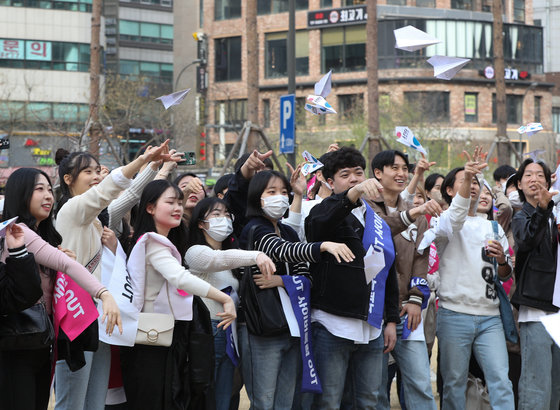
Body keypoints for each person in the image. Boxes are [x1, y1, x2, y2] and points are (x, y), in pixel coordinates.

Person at [54, 143, 168, 410]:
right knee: (72, 402)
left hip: (101, 317)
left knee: (95, 402)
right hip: (76, 316)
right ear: (68, 180)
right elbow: (109, 191)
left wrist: (152, 167)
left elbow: (125, 195)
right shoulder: (71, 211)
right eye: (88, 172)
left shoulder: (95, 221)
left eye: (97, 170)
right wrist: (141, 161)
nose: (96, 176)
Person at [0, 167, 122, 410]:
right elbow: (66, 265)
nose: (48, 196)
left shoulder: (40, 236)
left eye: (49, 189)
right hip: (16, 343)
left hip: (38, 342)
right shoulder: (18, 231)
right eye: (39, 189)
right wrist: (104, 293)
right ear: (20, 193)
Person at [239, 170, 352, 410]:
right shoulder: (255, 229)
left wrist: (281, 280)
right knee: (263, 400)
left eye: (283, 192)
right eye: (271, 192)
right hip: (264, 327)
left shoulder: (288, 231)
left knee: (286, 401)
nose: (279, 197)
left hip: (293, 327)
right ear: (257, 197)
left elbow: (306, 275)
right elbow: (281, 250)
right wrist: (322, 246)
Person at [120, 180, 236, 409]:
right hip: (150, 338)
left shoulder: (163, 241)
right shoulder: (153, 243)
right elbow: (180, 278)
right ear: (150, 208)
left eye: (180, 203)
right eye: (170, 202)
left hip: (162, 335)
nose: (177, 208)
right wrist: (223, 298)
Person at [303, 147, 401, 409]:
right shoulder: (322, 211)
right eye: (345, 175)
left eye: (359, 173)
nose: (355, 179)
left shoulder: (377, 221)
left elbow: (387, 272)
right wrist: (352, 195)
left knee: (369, 400)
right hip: (332, 323)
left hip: (371, 327)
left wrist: (391, 319)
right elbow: (318, 225)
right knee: (329, 401)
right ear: (330, 182)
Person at [422, 148, 514, 410]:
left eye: (475, 182)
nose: (472, 186)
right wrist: (468, 175)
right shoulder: (444, 222)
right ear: (450, 191)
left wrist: (502, 261)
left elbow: (505, 273)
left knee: (500, 381)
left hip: (490, 317)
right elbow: (457, 215)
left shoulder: (493, 227)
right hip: (453, 314)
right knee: (454, 383)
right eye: (465, 181)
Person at [185, 197, 275, 410]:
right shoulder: (194, 252)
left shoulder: (233, 260)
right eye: (216, 215)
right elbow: (218, 259)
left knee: (224, 397)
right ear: (200, 223)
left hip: (229, 335)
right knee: (204, 396)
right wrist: (257, 256)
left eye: (227, 215)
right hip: (207, 334)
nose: (223, 219)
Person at [369, 150, 437, 410]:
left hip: (407, 313)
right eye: (393, 168)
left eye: (404, 169)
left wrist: (416, 299)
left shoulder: (414, 213)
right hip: (374, 315)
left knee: (420, 383)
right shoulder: (364, 207)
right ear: (377, 173)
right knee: (375, 389)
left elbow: (422, 258)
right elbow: (384, 226)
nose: (401, 173)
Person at [511, 158, 560, 410]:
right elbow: (527, 241)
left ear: (549, 180)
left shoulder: (556, 216)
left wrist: (549, 210)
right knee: (536, 385)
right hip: (536, 311)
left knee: (556, 387)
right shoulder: (521, 216)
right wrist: (542, 209)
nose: (534, 179)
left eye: (539, 175)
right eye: (528, 175)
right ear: (519, 184)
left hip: (558, 308)